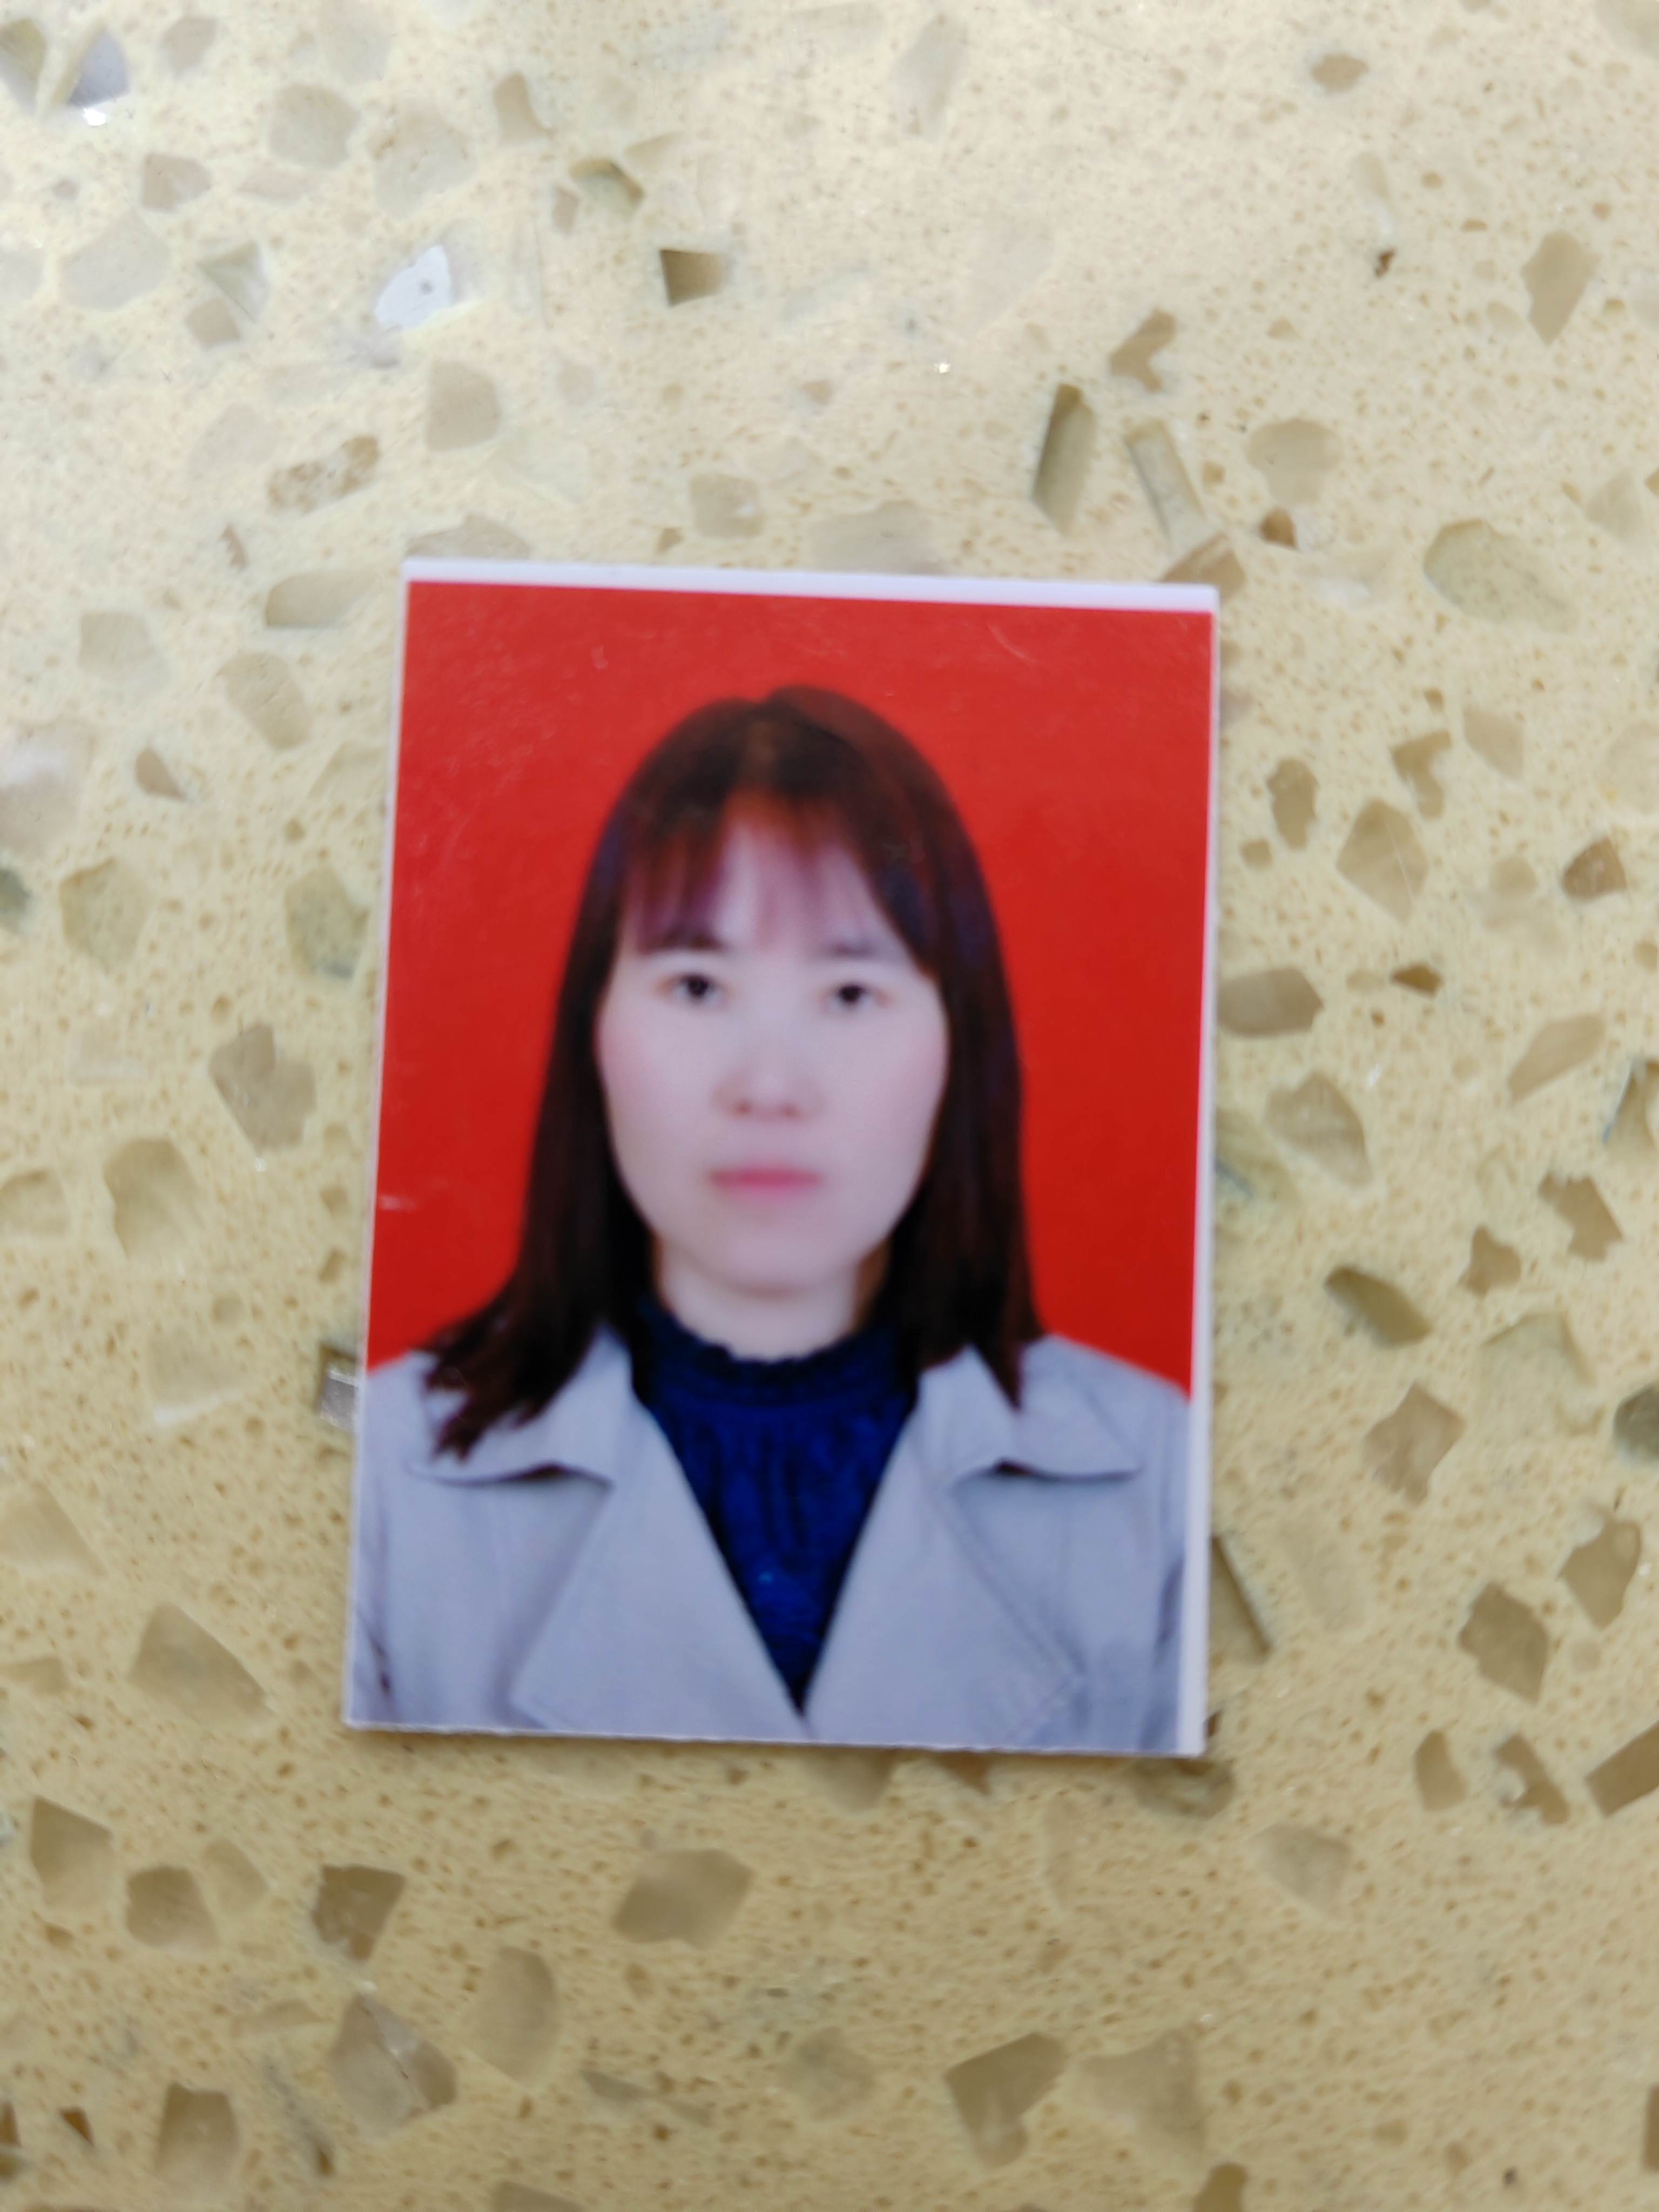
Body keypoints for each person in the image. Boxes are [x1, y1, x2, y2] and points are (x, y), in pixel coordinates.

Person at [348, 687, 1192, 1751]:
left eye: (849, 994)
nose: (770, 1086)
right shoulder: (379, 1468)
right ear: (592, 1028)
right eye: (698, 986)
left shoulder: (1165, 1473)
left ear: (959, 1044)